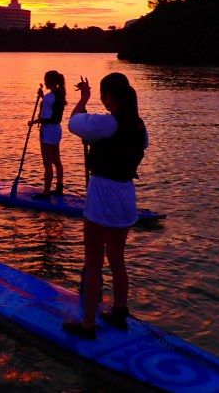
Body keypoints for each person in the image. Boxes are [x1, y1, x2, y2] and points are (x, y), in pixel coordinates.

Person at [62, 72, 147, 339]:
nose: (101, 99)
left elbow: (74, 123)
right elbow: (126, 149)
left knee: (94, 262)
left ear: (109, 97)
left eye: (101, 95)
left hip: (102, 196)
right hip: (125, 196)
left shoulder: (106, 123)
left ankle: (87, 325)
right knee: (117, 259)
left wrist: (83, 99)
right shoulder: (140, 126)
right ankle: (120, 312)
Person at [27, 70, 66, 199]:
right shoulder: (59, 94)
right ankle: (59, 187)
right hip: (56, 130)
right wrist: (43, 97)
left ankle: (46, 192)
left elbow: (46, 117)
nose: (44, 81)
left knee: (47, 162)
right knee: (56, 160)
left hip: (48, 130)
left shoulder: (51, 97)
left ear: (51, 81)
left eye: (46, 79)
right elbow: (50, 108)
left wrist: (33, 121)